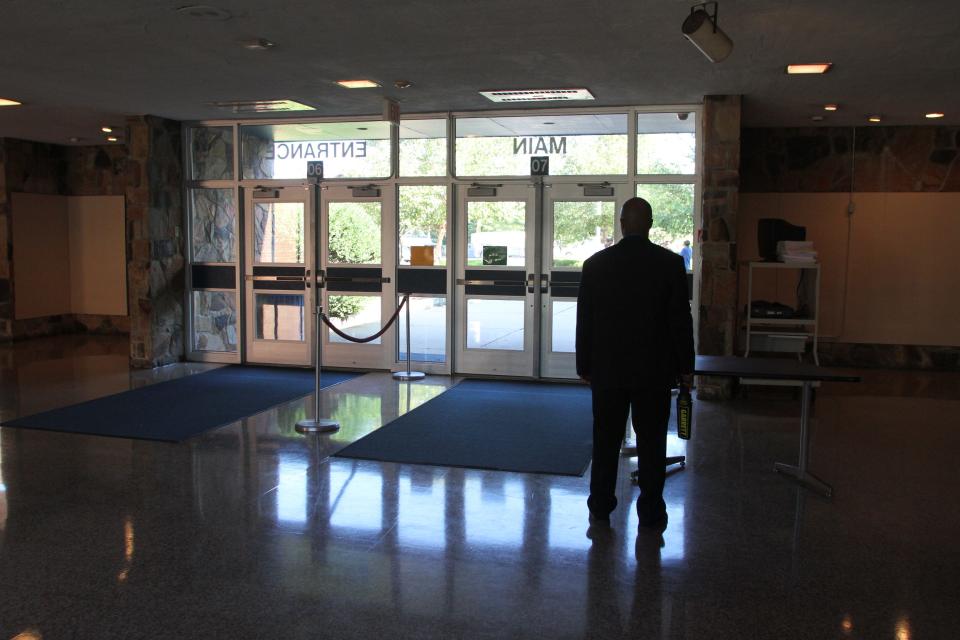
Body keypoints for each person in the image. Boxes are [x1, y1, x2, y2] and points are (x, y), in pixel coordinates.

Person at [576, 197, 694, 528]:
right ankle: (652, 511)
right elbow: (679, 322)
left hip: (608, 371)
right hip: (654, 372)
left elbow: (585, 320)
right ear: (650, 224)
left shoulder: (595, 265)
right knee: (652, 442)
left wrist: (584, 365)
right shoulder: (669, 264)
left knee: (605, 440)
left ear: (622, 223)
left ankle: (600, 505)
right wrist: (686, 367)